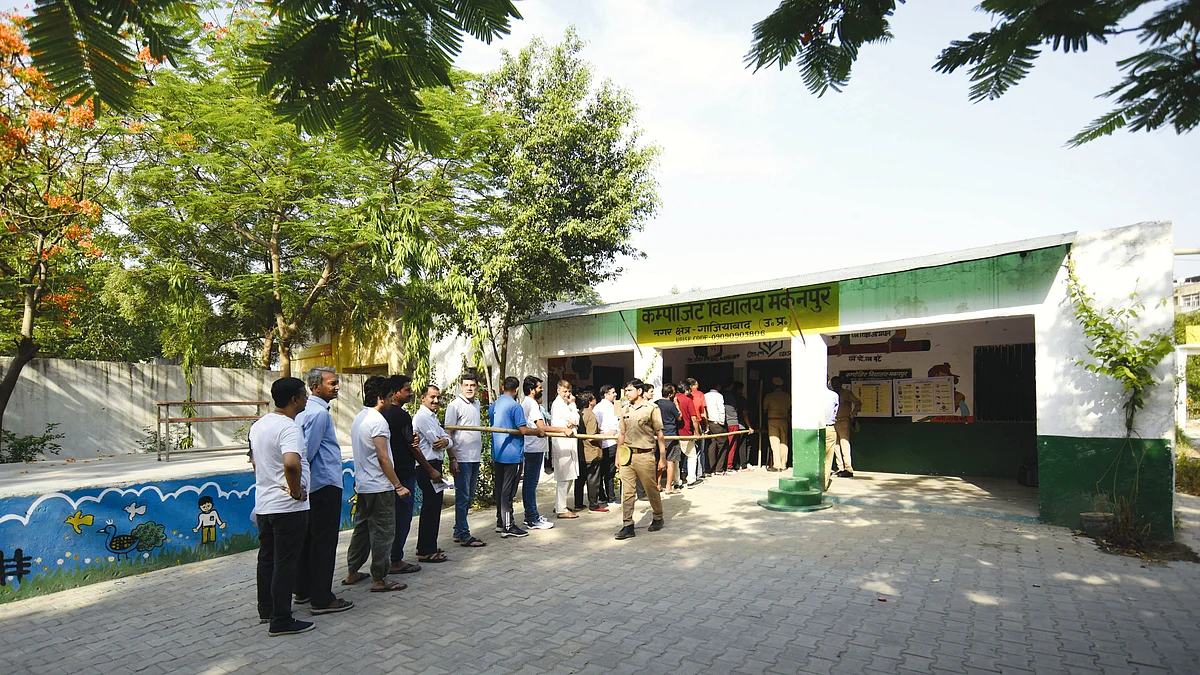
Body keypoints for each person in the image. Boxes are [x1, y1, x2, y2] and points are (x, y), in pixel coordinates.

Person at [250, 376, 313, 636]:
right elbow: (291, 463)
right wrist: (296, 491)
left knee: (267, 558)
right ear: (294, 400)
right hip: (287, 507)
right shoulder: (289, 427)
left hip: (265, 503)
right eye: (304, 395)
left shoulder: (259, 425)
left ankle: (266, 608)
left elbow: (254, 461)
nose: (307, 399)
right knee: (285, 563)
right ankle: (281, 619)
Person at [293, 366, 353, 614]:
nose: (336, 387)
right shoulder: (319, 414)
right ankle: (321, 598)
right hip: (324, 483)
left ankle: (304, 589)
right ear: (315, 387)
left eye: (336, 382)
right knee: (324, 542)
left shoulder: (303, 412)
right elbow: (307, 451)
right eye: (331, 383)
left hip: (313, 484)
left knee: (309, 539)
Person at [344, 376, 410, 593]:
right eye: (390, 397)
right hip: (379, 487)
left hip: (363, 485)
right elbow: (383, 457)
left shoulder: (359, 418)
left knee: (362, 530)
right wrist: (398, 485)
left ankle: (353, 571)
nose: (392, 400)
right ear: (381, 398)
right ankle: (380, 579)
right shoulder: (379, 421)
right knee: (383, 532)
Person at [490, 377, 542, 537]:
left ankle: (501, 522)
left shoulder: (494, 405)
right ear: (517, 389)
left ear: (503, 387)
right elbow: (524, 430)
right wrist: (539, 432)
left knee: (500, 490)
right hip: (512, 455)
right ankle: (508, 525)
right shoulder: (515, 406)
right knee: (508, 492)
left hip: (498, 453)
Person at [614, 379, 666, 540]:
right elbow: (621, 434)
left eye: (629, 390)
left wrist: (662, 457)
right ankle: (627, 524)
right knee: (627, 492)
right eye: (626, 391)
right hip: (627, 455)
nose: (626, 393)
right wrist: (618, 454)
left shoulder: (651, 408)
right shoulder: (625, 409)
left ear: (639, 391)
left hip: (645, 455)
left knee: (650, 489)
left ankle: (658, 516)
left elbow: (659, 434)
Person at [522, 376, 574, 529]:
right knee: (531, 484)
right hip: (533, 447)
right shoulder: (531, 403)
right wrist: (563, 429)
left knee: (530, 483)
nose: (542, 390)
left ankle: (531, 515)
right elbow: (542, 427)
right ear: (532, 389)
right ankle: (532, 517)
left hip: (534, 447)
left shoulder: (529, 403)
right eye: (539, 387)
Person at [382, 374, 422, 575]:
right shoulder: (400, 415)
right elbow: (411, 445)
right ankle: (395, 559)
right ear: (395, 392)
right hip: (403, 473)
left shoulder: (379, 415)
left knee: (388, 519)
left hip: (387, 474)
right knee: (402, 517)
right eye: (407, 389)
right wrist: (429, 468)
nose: (411, 392)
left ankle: (385, 558)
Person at [413, 384, 456, 563]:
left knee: (433, 507)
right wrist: (445, 440)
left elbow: (447, 440)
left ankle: (427, 545)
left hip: (435, 464)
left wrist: (446, 440)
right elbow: (436, 441)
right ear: (423, 398)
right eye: (432, 397)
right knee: (431, 508)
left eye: (438, 397)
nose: (436, 401)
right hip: (427, 466)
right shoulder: (422, 417)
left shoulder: (432, 417)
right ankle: (425, 550)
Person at [445, 373, 485, 548]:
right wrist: (452, 458)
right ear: (461, 387)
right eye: (466, 385)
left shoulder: (476, 404)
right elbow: (447, 434)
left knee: (469, 497)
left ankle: (458, 529)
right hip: (461, 457)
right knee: (463, 497)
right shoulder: (454, 406)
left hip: (474, 457)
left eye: (473, 385)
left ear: (476, 387)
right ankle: (463, 535)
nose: (469, 388)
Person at [550, 380, 581, 518]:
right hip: (562, 443)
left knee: (569, 476)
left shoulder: (564, 404)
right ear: (558, 391)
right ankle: (561, 508)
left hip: (568, 442)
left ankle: (559, 504)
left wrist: (573, 420)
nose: (567, 394)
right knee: (564, 476)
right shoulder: (559, 404)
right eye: (565, 391)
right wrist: (573, 405)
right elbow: (575, 419)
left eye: (569, 391)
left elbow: (575, 420)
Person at [577, 391, 609, 512]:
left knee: (580, 479)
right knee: (593, 479)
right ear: (590, 401)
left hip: (581, 451)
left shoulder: (580, 413)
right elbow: (591, 436)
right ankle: (594, 504)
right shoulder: (590, 415)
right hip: (591, 451)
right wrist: (606, 434)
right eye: (594, 398)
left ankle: (578, 502)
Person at [830, 376, 862, 478]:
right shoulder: (831, 394)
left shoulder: (847, 393)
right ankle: (840, 468)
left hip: (844, 420)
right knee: (836, 445)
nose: (835, 385)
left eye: (837, 383)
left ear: (841, 383)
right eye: (833, 383)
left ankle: (848, 468)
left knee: (844, 444)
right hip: (834, 421)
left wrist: (852, 415)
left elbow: (858, 403)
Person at [593, 385, 620, 504]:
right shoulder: (608, 408)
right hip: (610, 441)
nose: (615, 394)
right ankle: (611, 497)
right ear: (605, 394)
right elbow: (615, 427)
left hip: (603, 441)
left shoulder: (597, 407)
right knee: (609, 472)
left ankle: (603, 496)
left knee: (603, 471)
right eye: (613, 392)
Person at [655, 383, 682, 494]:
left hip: (658, 435)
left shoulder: (655, 404)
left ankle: (658, 484)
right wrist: (676, 404)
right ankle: (668, 487)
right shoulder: (671, 405)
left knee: (659, 461)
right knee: (670, 462)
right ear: (670, 394)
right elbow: (679, 417)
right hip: (671, 434)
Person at [674, 380, 702, 488]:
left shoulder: (673, 398)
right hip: (686, 433)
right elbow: (694, 418)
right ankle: (691, 480)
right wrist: (697, 433)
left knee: (675, 459)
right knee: (692, 456)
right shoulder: (688, 400)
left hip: (674, 433)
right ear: (686, 390)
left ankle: (676, 481)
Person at [724, 380, 755, 472]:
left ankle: (735, 464)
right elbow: (744, 413)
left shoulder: (730, 398)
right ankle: (743, 464)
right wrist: (749, 426)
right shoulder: (741, 399)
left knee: (733, 445)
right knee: (741, 445)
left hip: (730, 424)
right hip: (739, 425)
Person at [764, 377, 792, 472]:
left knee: (774, 442)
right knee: (784, 442)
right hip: (784, 420)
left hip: (772, 420)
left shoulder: (769, 396)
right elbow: (789, 408)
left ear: (772, 386)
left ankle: (777, 464)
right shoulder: (787, 396)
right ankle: (784, 464)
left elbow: (765, 408)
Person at [822, 378, 842, 490]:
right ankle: (823, 484)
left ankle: (812, 483)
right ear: (828, 382)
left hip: (814, 430)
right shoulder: (834, 396)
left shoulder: (811, 396)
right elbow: (835, 412)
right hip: (830, 428)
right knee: (828, 458)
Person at [704, 382, 728, 476]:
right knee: (723, 444)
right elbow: (721, 409)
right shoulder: (718, 396)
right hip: (717, 422)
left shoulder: (705, 395)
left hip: (709, 422)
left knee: (712, 445)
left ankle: (711, 468)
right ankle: (719, 468)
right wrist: (722, 421)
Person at [687, 378, 709, 477]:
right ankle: (700, 472)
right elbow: (703, 413)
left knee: (688, 449)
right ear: (695, 384)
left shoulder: (683, 396)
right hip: (698, 423)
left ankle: (685, 471)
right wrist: (707, 425)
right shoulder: (700, 394)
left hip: (686, 425)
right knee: (700, 449)